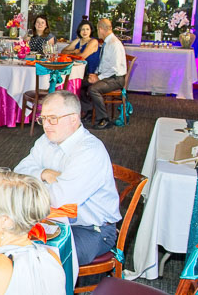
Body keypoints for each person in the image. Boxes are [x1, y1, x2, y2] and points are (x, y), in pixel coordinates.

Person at [14, 90, 120, 265]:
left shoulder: (89, 151)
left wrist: (32, 184)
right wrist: (43, 173)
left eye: (53, 118)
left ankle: (52, 292)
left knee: (38, 257)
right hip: (52, 219)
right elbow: (18, 172)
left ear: (74, 118)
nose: (46, 125)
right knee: (8, 241)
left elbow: (58, 199)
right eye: (43, 119)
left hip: (91, 230)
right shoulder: (46, 140)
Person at [81, 18, 127, 130]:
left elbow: (114, 68)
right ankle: (90, 110)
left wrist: (98, 78)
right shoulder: (107, 42)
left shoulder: (114, 44)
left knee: (93, 89)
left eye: (97, 29)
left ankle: (104, 119)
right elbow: (104, 64)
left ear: (101, 29)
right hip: (107, 75)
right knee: (80, 83)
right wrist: (95, 74)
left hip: (116, 78)